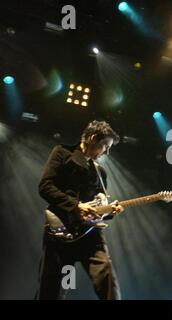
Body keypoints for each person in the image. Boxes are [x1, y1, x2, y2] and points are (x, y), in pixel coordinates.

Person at [36, 120, 124, 300]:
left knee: (106, 275)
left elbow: (98, 209)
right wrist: (75, 206)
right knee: (51, 289)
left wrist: (109, 212)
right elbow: (45, 186)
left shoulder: (100, 172)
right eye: (105, 146)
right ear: (92, 138)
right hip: (60, 230)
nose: (106, 152)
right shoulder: (62, 153)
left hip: (90, 234)